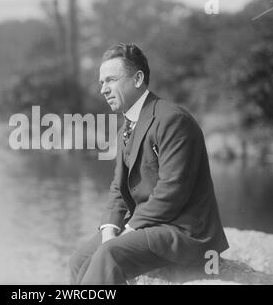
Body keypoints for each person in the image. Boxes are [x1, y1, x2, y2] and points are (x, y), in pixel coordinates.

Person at [69, 43, 229, 285]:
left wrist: (130, 229)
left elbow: (172, 191)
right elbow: (118, 188)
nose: (103, 89)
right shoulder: (126, 126)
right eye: (101, 82)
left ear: (137, 79)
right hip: (152, 226)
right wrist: (110, 228)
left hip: (184, 230)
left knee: (109, 254)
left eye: (111, 80)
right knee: (80, 258)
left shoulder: (172, 120)